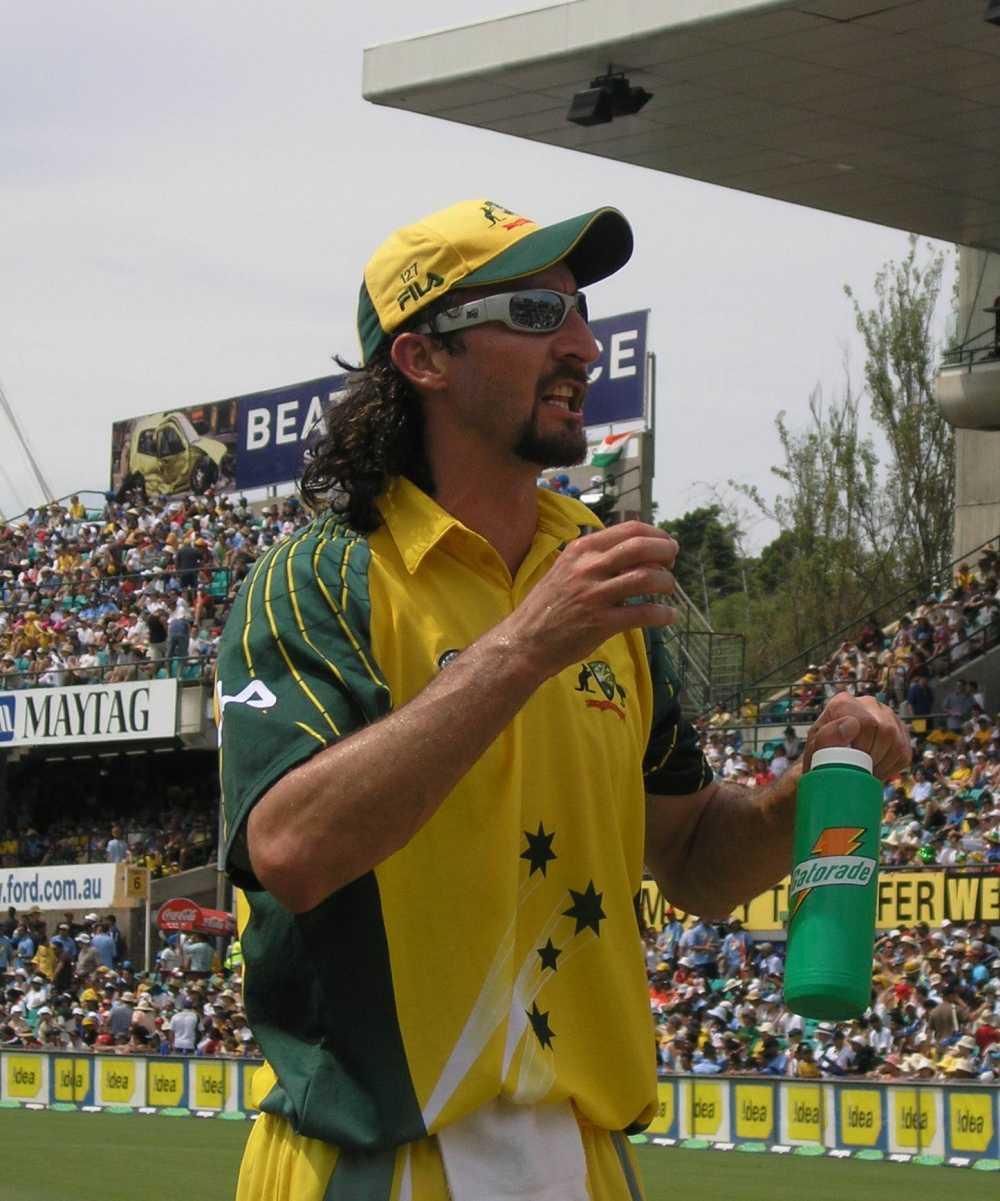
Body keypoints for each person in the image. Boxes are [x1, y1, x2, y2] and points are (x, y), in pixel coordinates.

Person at [216, 198, 910, 1201]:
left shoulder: (599, 577)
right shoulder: (317, 578)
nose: (584, 344)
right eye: (537, 316)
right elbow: (291, 848)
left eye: (580, 313)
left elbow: (691, 859)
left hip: (581, 1158)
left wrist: (812, 786)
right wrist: (525, 645)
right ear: (424, 359)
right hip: (373, 1161)